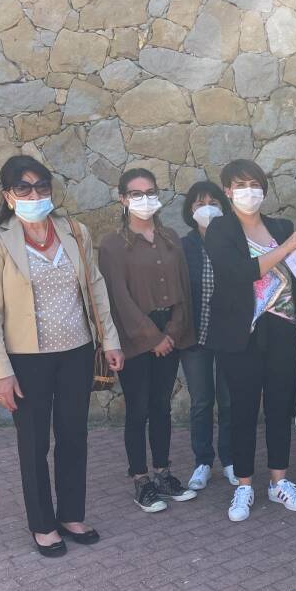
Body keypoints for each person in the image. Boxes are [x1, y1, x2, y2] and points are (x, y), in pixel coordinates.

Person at [0, 155, 123, 556]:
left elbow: (95, 287)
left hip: (75, 351)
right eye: (23, 188)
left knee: (74, 435)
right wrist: (0, 372)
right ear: (8, 195)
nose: (34, 194)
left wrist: (109, 339)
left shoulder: (74, 231)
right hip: (27, 359)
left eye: (42, 186)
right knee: (34, 442)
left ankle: (72, 513)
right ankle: (42, 523)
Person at [203, 159, 296, 522]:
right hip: (241, 333)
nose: (249, 191)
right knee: (243, 410)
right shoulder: (220, 228)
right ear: (228, 191)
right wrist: (284, 249)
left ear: (264, 189)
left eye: (255, 184)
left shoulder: (282, 226)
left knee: (280, 407)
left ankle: (279, 481)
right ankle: (245, 485)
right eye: (240, 185)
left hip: (282, 331)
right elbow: (238, 273)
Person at [99, 168, 196, 513]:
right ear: (123, 199)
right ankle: (141, 480)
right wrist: (152, 337)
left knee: (161, 407)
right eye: (136, 193)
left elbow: (183, 287)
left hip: (169, 330)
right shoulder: (112, 244)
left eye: (150, 192)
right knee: (137, 409)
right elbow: (117, 297)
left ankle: (163, 472)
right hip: (136, 335)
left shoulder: (170, 236)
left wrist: (172, 330)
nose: (144, 199)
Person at [179, 181, 239, 491]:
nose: (207, 207)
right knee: (202, 401)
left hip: (229, 337)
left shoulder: (233, 240)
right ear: (190, 210)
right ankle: (203, 461)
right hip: (195, 339)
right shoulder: (183, 245)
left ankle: (229, 460)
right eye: (200, 202)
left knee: (228, 402)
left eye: (213, 201)